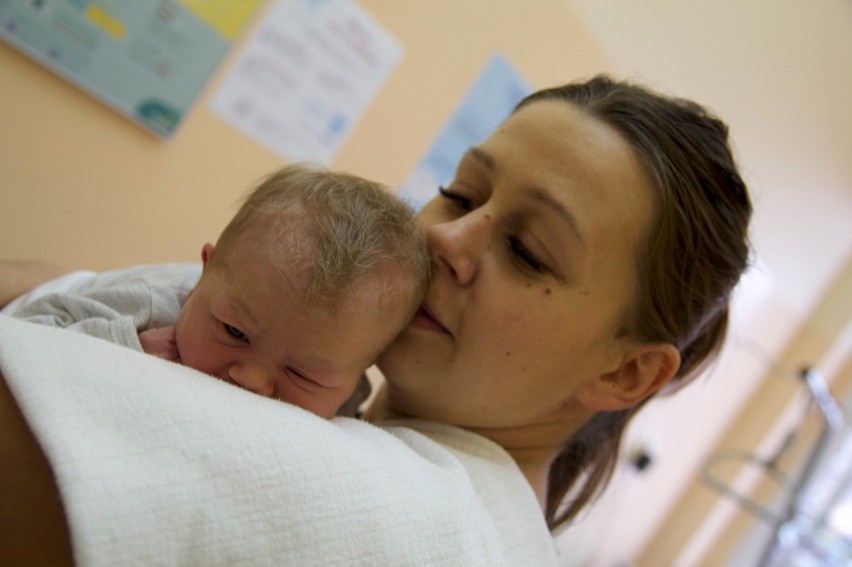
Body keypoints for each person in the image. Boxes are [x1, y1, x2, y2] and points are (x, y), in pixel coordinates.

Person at [0, 74, 752, 563]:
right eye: (460, 193)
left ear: (623, 371)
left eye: (526, 249)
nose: (446, 238)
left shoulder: (429, 525)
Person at [7, 164, 431, 419]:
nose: (250, 379)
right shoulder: (150, 306)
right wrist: (122, 345)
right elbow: (25, 332)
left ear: (362, 370)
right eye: (234, 332)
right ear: (203, 278)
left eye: (303, 374)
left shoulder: (347, 397)